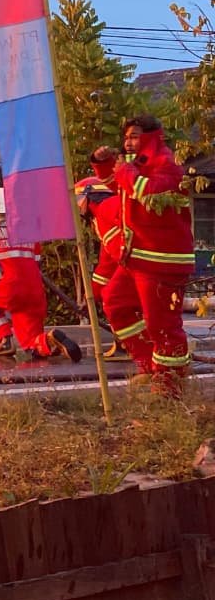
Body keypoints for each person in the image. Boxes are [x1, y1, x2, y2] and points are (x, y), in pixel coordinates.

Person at [101, 115, 194, 395]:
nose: (128, 142)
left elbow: (148, 193)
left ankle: (170, 384)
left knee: (162, 324)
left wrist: (125, 172)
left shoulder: (167, 164)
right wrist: (102, 163)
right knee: (115, 303)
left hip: (161, 260)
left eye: (135, 136)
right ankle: (149, 366)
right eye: (126, 137)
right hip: (136, 257)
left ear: (152, 137)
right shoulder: (138, 165)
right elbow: (119, 187)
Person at [0, 187, 82, 362]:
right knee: (31, 346)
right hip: (35, 292)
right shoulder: (29, 234)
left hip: (13, 288)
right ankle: (49, 339)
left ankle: (3, 341)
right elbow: (36, 262)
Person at [77, 149, 134, 361]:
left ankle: (131, 347)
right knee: (117, 300)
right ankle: (129, 345)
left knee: (116, 300)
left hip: (135, 266)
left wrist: (96, 294)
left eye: (78, 199)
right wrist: (91, 294)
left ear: (88, 196)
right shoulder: (102, 216)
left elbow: (118, 253)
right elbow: (106, 263)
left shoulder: (107, 209)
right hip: (134, 266)